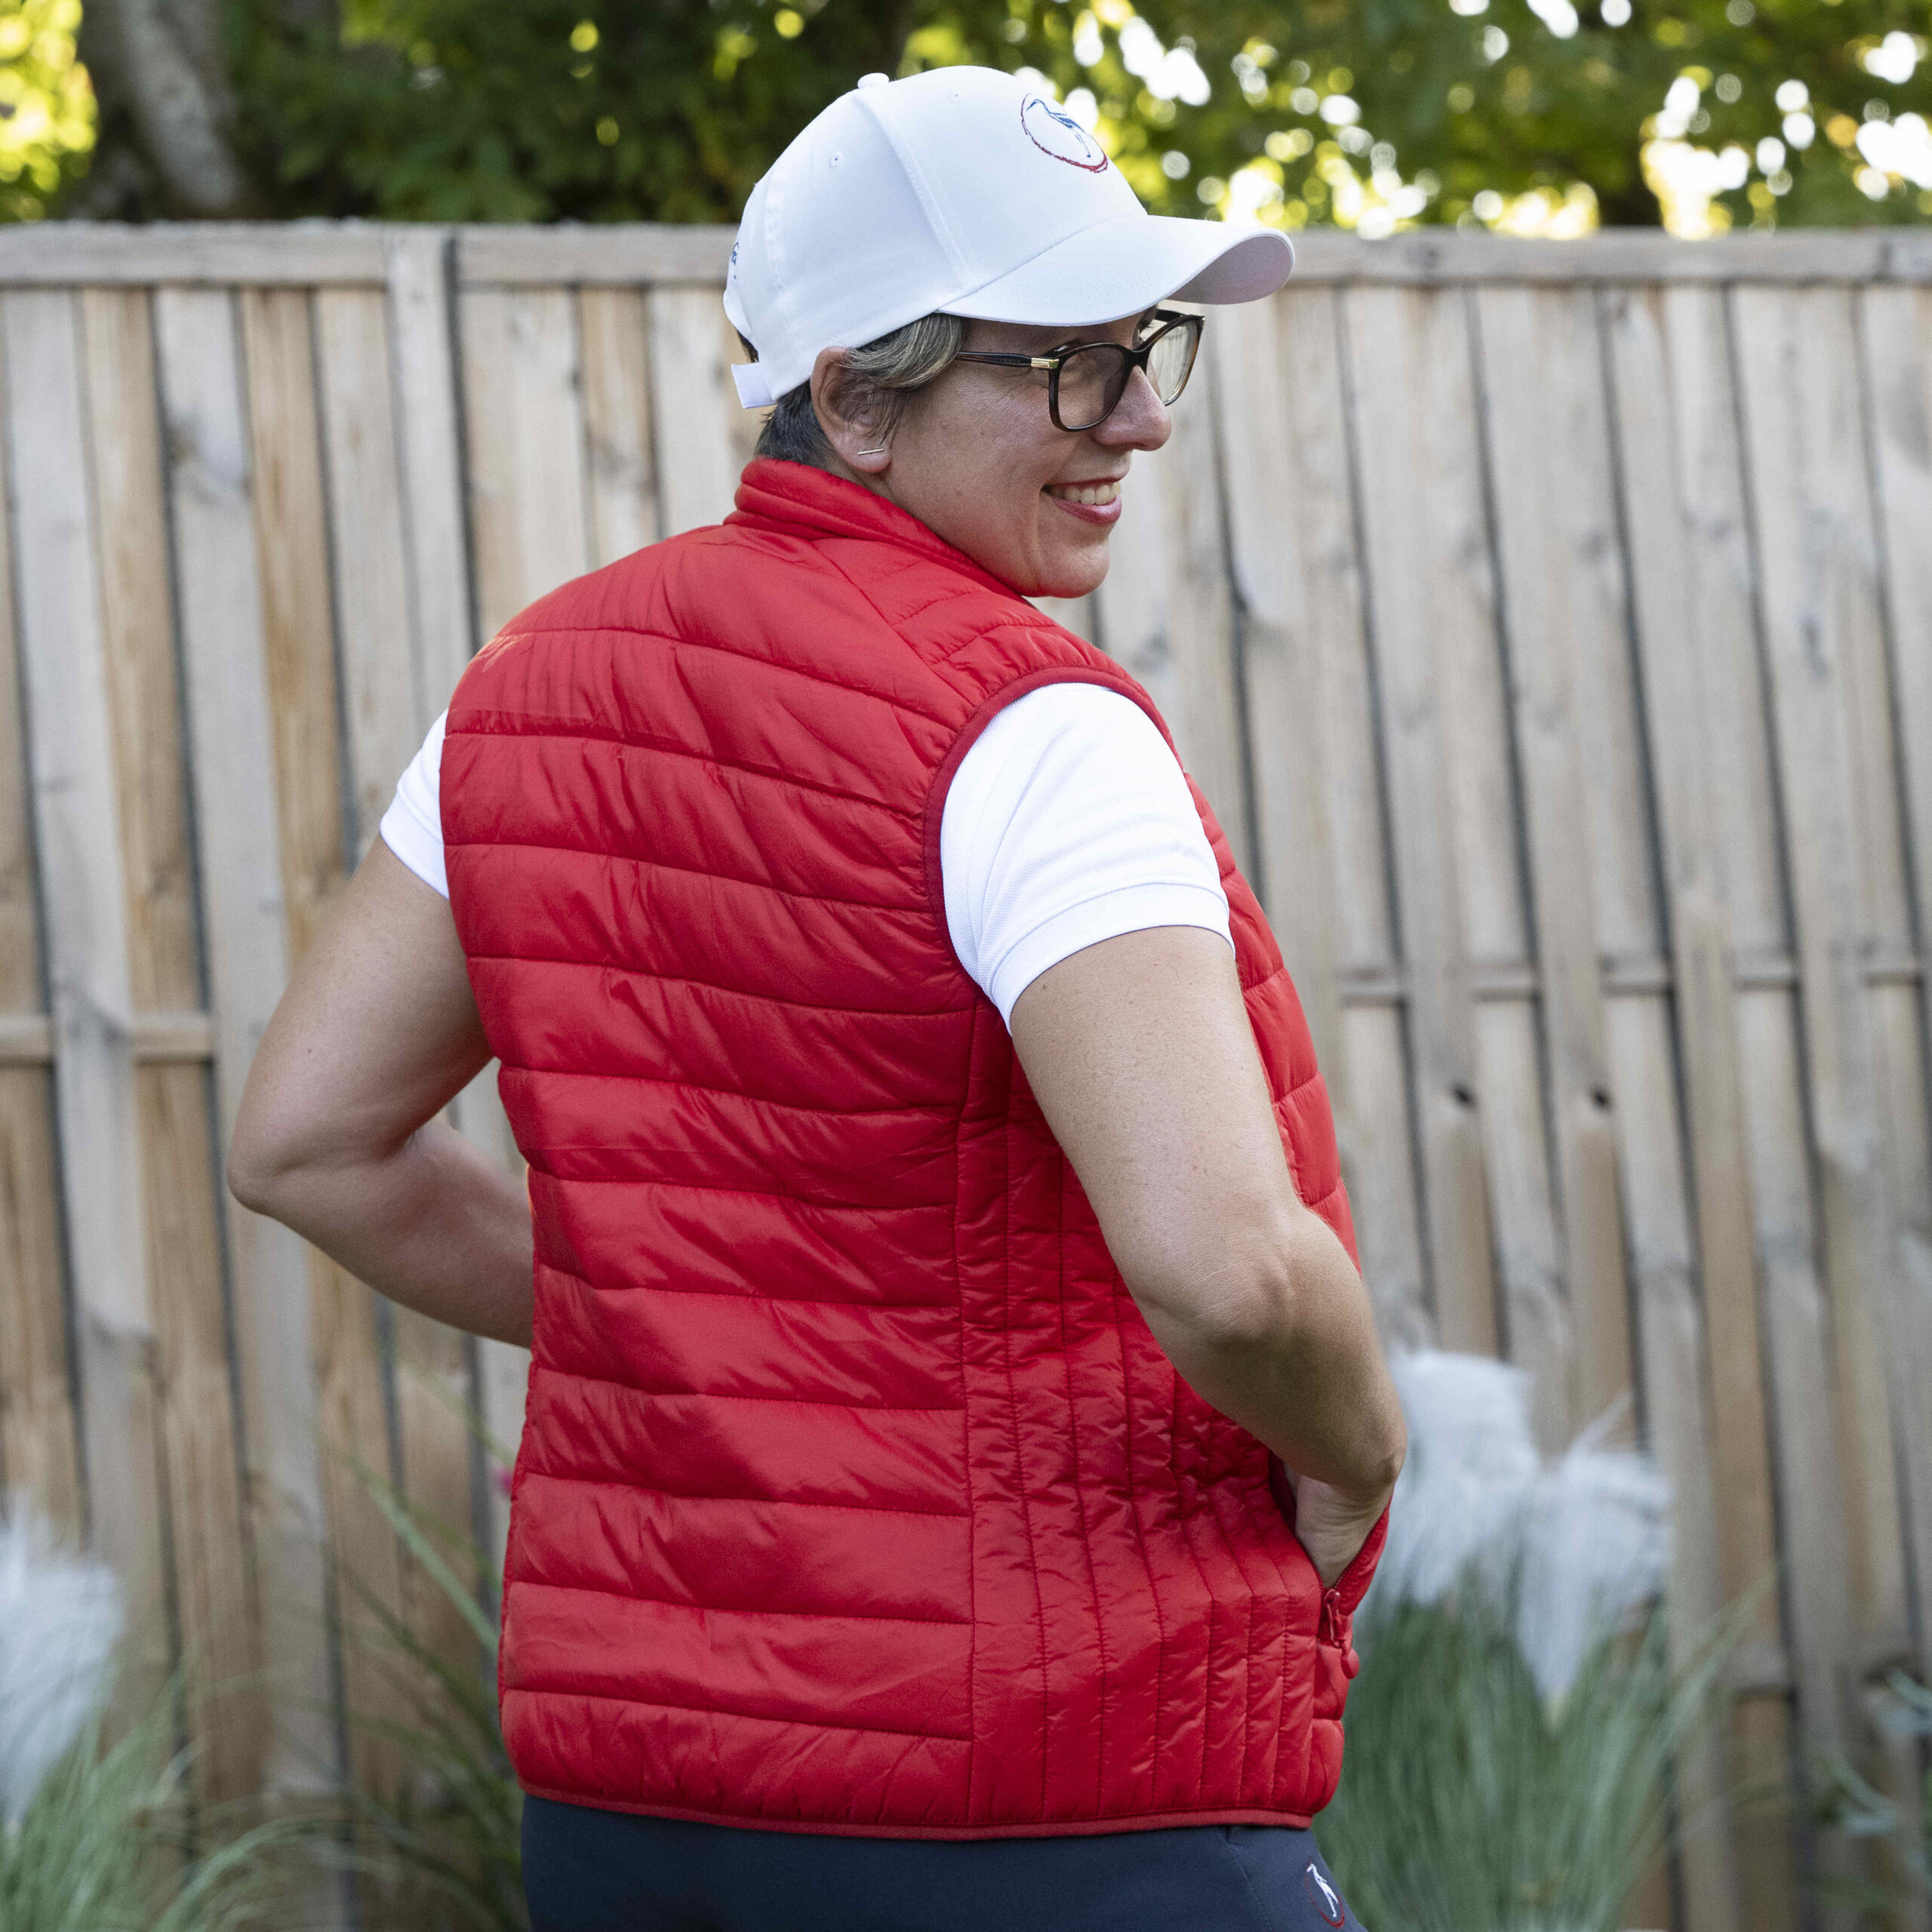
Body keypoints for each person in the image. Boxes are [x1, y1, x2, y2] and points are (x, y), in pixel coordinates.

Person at [229, 64, 1405, 1932]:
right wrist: (1356, 1451)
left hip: (632, 1817)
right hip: (1055, 1803)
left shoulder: (517, 691)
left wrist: (714, 1330)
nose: (1144, 417)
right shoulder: (1033, 734)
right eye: (1067, 362)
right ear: (852, 394)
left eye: (1145, 344)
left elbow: (307, 1141)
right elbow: (1230, 1267)